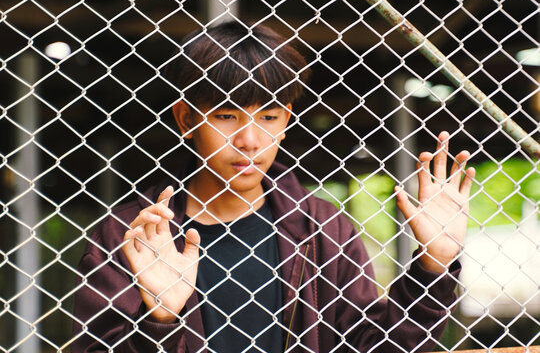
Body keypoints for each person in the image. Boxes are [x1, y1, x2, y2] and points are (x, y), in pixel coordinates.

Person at [72, 21, 475, 352]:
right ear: (186, 119)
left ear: (286, 121)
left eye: (267, 116)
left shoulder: (323, 228)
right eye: (227, 115)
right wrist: (159, 320)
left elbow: (379, 346)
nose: (249, 139)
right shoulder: (130, 233)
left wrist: (433, 266)